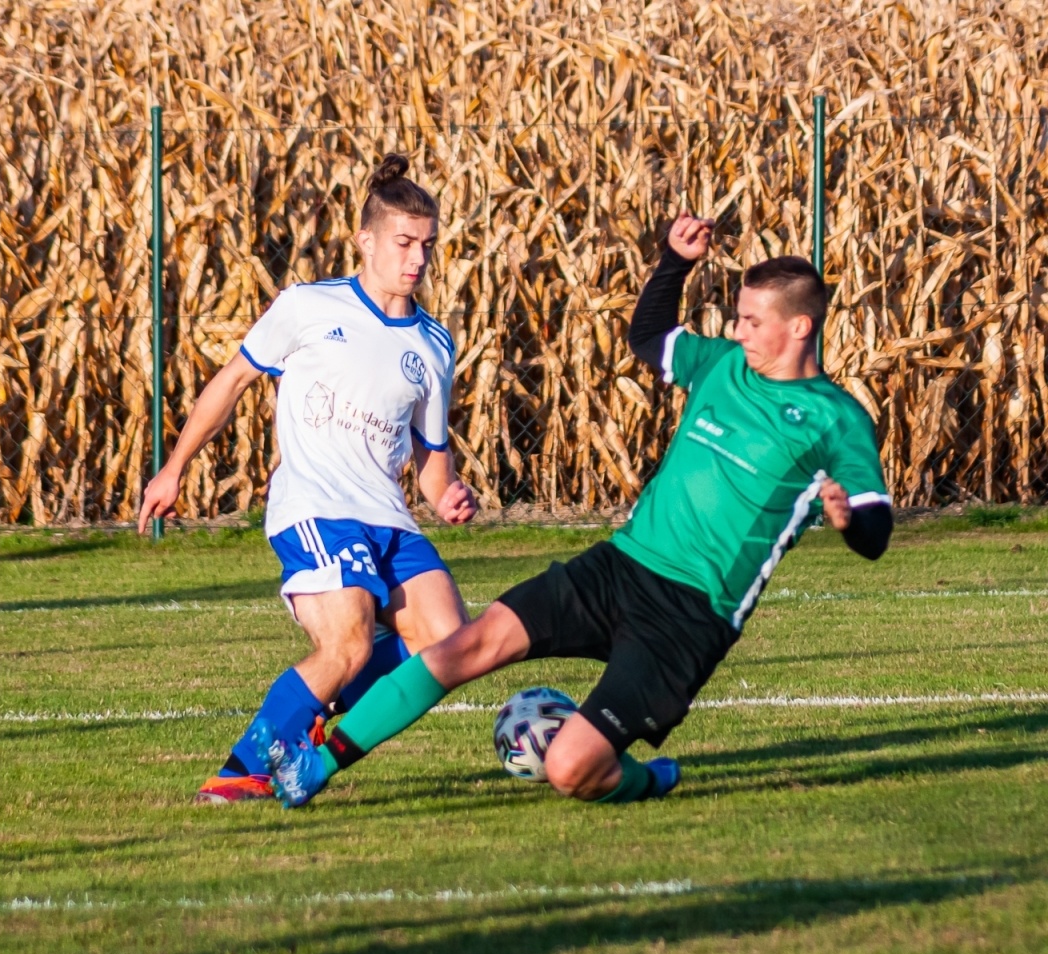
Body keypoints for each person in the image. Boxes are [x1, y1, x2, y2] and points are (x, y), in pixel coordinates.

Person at [259, 211, 894, 808]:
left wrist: (848, 520)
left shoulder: (836, 419)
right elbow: (649, 336)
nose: (737, 331)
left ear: (799, 327)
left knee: (569, 769)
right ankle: (317, 766)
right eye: (738, 318)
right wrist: (674, 262)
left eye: (752, 321)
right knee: (465, 646)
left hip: (690, 616)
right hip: (619, 567)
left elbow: (876, 531)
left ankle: (647, 778)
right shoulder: (722, 366)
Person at [138, 155, 479, 803]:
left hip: (389, 518)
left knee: (451, 643)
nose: (417, 259)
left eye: (428, 245)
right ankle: (242, 768)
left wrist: (448, 496)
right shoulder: (309, 306)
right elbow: (232, 382)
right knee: (348, 642)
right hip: (316, 507)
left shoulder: (433, 345)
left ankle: (321, 704)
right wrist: (174, 468)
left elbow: (433, 464)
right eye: (404, 243)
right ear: (366, 240)